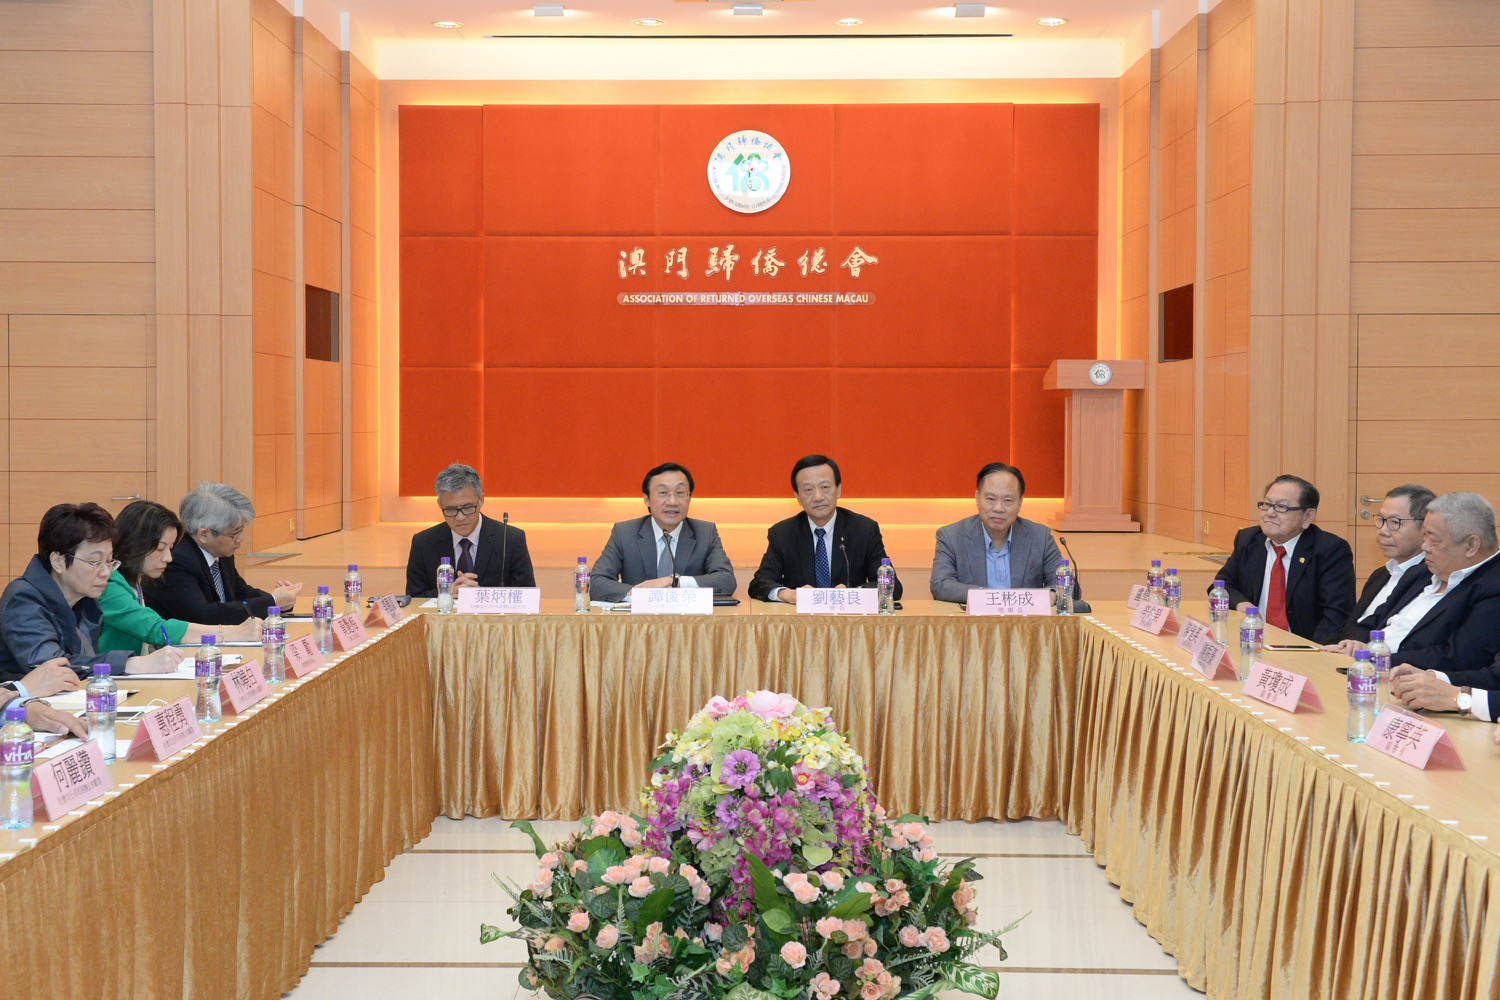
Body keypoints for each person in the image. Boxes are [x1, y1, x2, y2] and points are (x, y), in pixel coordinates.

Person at [0, 503, 184, 694]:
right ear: (58, 561)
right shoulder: (23, 599)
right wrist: (133, 663)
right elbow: (53, 669)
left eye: (109, 562)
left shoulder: (85, 599)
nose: (106, 572)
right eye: (95, 562)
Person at [1370, 492, 1500, 716]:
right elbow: (1495, 676)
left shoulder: (1493, 585)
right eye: (1424, 537)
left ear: (1471, 545)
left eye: (1434, 540)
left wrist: (1455, 697)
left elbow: (1464, 658)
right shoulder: (1422, 570)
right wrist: (1434, 679)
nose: (1424, 547)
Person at [98, 500, 260, 655]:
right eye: (160, 549)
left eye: (170, 548)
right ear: (134, 544)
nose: (168, 558)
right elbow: (156, 629)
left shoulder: (134, 581)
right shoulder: (108, 583)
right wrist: (235, 632)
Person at [1210, 474, 1354, 644]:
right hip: (1253, 642)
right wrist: (1242, 604)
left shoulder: (1330, 550)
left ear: (1308, 516)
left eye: (1281, 507)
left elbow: (1337, 614)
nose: (1269, 513)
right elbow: (1221, 585)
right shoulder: (1248, 540)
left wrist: (1314, 652)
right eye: (1266, 504)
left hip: (1304, 647)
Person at [749, 455, 902, 603]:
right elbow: (759, 583)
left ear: (838, 489)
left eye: (825, 487)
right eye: (808, 490)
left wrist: (854, 593)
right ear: (797, 496)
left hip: (849, 619)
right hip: (801, 619)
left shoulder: (864, 530)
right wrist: (787, 594)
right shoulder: (782, 533)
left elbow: (892, 585)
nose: (818, 497)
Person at [145, 482, 301, 625]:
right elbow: (205, 615)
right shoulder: (176, 560)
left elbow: (240, 593)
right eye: (234, 534)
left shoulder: (220, 551)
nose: (240, 539)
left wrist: (279, 603)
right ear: (204, 535)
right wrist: (272, 601)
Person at [590, 463, 737, 603]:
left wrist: (674, 581)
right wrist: (643, 595)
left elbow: (726, 580)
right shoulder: (625, 533)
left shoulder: (705, 533)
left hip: (689, 619)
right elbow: (597, 582)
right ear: (647, 499)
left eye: (680, 493)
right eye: (663, 493)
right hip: (639, 620)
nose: (672, 501)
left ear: (689, 498)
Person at [930, 462, 1073, 604]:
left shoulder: (1040, 537)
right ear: (977, 499)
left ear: (1020, 503)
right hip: (975, 619)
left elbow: (1068, 584)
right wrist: (989, 597)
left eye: (1008, 500)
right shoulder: (951, 536)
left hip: (1025, 619)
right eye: (991, 499)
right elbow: (940, 584)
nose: (998, 508)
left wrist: (1054, 594)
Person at [405, 463, 535, 598]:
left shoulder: (510, 540)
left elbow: (528, 597)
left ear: (481, 500)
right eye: (451, 509)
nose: (460, 517)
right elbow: (413, 598)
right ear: (440, 504)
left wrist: (481, 596)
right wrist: (446, 592)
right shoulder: (423, 543)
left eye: (467, 508)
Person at [1325, 484, 1435, 644]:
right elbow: (1349, 628)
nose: (1383, 530)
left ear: (1425, 528)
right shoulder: (1380, 575)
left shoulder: (1432, 579)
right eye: (1381, 520)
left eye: (1394, 522)